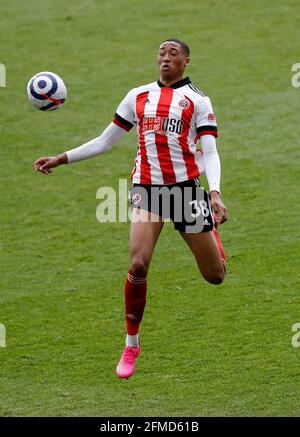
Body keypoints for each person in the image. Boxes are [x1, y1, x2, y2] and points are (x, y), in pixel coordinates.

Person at [33, 38, 228, 380]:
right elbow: (106, 140)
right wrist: (62, 158)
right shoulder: (137, 96)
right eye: (161, 53)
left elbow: (209, 152)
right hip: (147, 190)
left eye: (173, 54)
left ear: (186, 62)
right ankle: (131, 342)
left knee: (215, 276)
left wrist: (214, 193)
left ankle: (209, 228)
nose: (165, 59)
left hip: (186, 193)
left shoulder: (197, 101)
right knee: (138, 262)